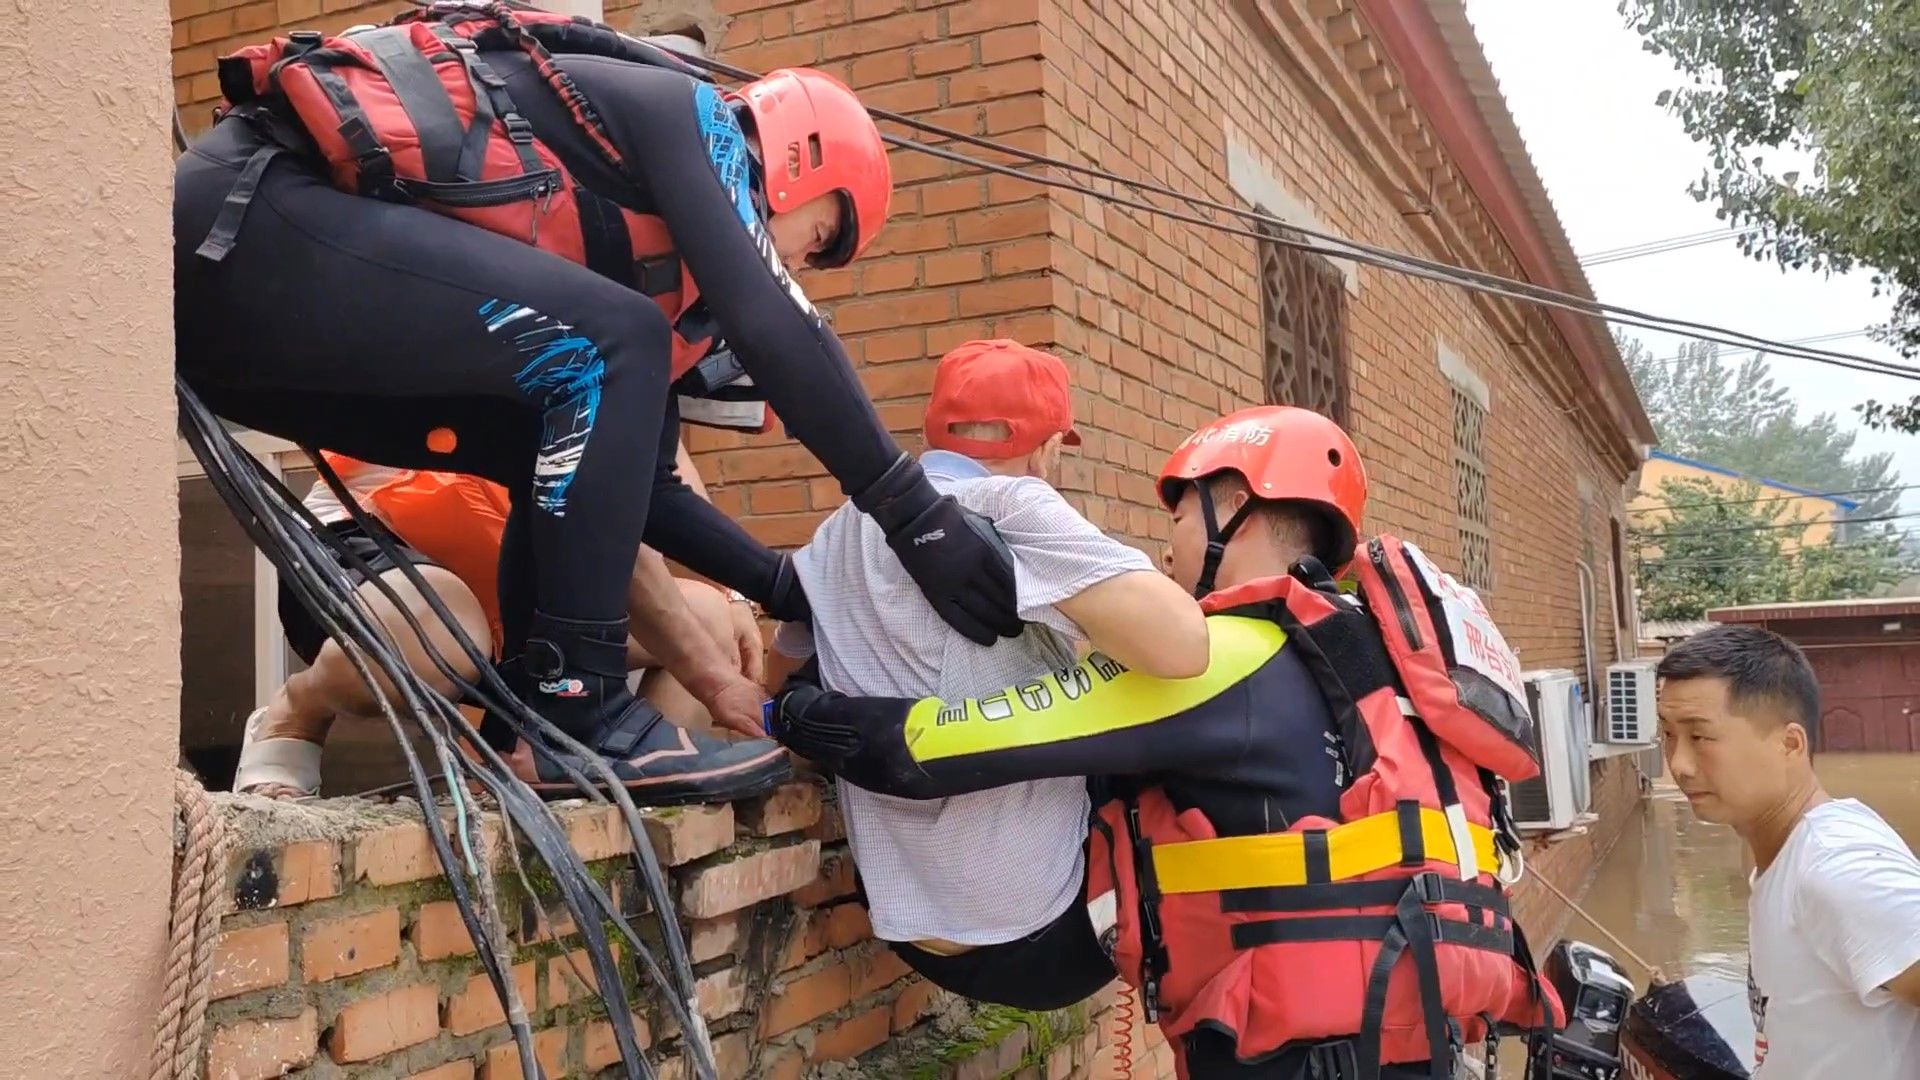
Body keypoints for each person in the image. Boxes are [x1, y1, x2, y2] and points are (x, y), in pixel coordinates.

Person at [173, 3, 1021, 793]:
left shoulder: (627, 294)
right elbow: (778, 323)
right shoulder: (692, 118)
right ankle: (578, 707)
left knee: (556, 410)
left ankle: (542, 716)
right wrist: (916, 517)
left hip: (248, 329)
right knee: (618, 342)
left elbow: (643, 491)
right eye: (822, 236)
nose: (800, 264)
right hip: (243, 220)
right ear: (797, 159)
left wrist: (788, 586)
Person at [767, 405, 1562, 1079]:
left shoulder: (1227, 655)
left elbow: (939, 750)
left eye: (1178, 517)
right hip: (1418, 1022)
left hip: (1294, 1048)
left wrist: (796, 712)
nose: (1167, 546)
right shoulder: (1365, 659)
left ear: (1234, 509)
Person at [762, 339, 1210, 1010]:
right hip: (1046, 935)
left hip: (908, 922)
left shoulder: (836, 534)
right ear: (1047, 448)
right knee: (1179, 712)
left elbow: (781, 669)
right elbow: (1185, 647)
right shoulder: (1016, 503)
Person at [237, 443, 791, 804]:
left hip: (514, 558)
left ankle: (620, 796)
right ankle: (296, 713)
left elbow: (658, 472)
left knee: (708, 621)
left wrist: (735, 593)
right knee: (443, 633)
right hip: (376, 539)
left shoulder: (628, 311)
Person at [1656, 625, 1920, 1076]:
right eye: (1668, 735)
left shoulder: (1838, 867)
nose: (1678, 764)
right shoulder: (1780, 857)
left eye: (1700, 737)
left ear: (1789, 744)